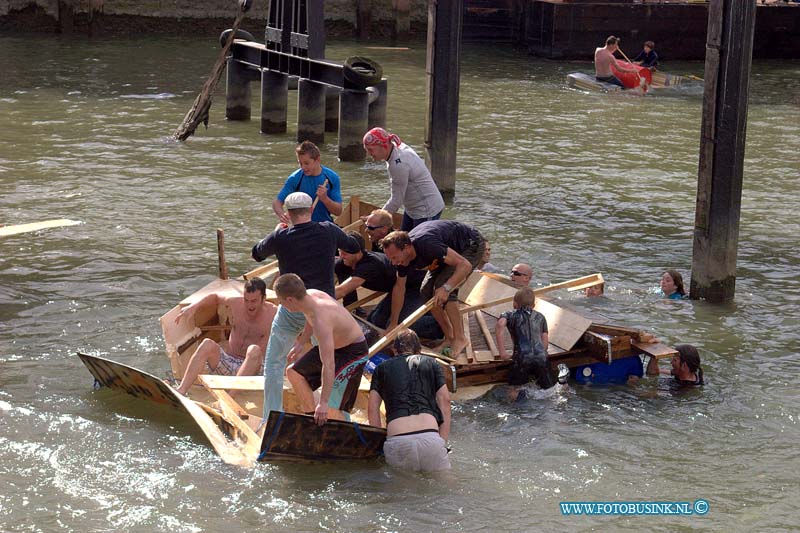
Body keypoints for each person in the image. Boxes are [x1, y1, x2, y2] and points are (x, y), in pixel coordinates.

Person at [252, 192, 361, 418]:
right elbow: (352, 245)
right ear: (310, 210)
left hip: (291, 309)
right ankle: (338, 415)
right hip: (323, 310)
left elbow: (257, 253)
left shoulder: (281, 236)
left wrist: (275, 231)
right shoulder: (328, 230)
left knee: (274, 363)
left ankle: (270, 417)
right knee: (329, 363)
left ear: (289, 214)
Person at [381, 220, 485, 357]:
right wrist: (393, 323)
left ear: (406, 248)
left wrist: (447, 288)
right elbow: (399, 288)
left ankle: (460, 338)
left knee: (443, 286)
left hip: (469, 244)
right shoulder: (402, 259)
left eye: (394, 257)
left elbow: (464, 265)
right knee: (425, 292)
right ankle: (449, 337)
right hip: (446, 252)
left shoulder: (427, 244)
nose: (394, 262)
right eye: (390, 259)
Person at [276, 274, 370, 425]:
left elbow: (329, 364)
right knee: (294, 373)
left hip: (353, 353)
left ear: (290, 300)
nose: (282, 305)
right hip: (336, 347)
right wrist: (302, 342)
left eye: (281, 301)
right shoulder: (309, 296)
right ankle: (313, 420)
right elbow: (309, 318)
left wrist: (324, 402)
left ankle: (338, 425)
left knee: (332, 408)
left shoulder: (321, 320)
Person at [173, 278, 277, 396]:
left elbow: (293, 327)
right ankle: (181, 390)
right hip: (230, 362)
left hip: (254, 370)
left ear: (263, 298)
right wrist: (194, 306)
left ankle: (230, 398)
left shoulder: (274, 313)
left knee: (254, 350)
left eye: (254, 301)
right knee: (207, 344)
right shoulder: (236, 303)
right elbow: (215, 297)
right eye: (246, 300)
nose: (249, 305)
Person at [368, 329, 451, 472]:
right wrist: (442, 441)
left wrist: (378, 444)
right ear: (419, 350)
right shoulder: (432, 364)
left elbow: (373, 407)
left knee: (402, 490)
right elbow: (446, 401)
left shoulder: (381, 369)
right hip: (430, 437)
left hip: (398, 440)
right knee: (446, 486)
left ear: (394, 350)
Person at [363, 127, 445, 231]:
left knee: (419, 243)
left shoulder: (398, 165)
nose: (369, 154)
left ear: (383, 146)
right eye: (367, 150)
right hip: (412, 208)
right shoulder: (396, 147)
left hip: (426, 209)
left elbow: (396, 200)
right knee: (403, 242)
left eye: (371, 150)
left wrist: (376, 218)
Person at [335, 231, 422, 330]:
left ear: (358, 252)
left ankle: (436, 326)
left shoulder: (370, 265)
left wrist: (317, 302)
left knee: (398, 324)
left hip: (415, 286)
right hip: (395, 288)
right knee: (376, 320)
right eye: (339, 251)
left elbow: (342, 291)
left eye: (345, 253)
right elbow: (345, 294)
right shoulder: (342, 264)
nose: (341, 256)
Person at [495, 287, 554, 400]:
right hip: (542, 357)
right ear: (534, 305)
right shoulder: (541, 317)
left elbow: (500, 324)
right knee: (549, 390)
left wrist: (503, 353)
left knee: (513, 390)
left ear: (514, 304)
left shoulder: (510, 314)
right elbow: (545, 345)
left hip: (522, 357)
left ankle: (521, 398)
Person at [272, 140, 343, 224]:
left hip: (324, 226)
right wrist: (282, 215)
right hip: (302, 227)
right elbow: (277, 202)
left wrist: (325, 199)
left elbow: (338, 212)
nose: (303, 167)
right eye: (300, 163)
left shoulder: (332, 178)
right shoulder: (295, 178)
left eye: (306, 163)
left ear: (317, 160)